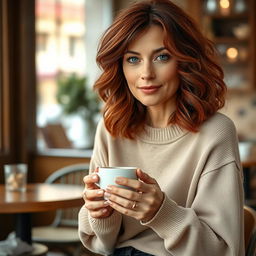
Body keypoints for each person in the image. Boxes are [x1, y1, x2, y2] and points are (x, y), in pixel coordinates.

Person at [78, 0, 244, 255]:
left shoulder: (216, 133)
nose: (146, 73)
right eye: (133, 59)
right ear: (120, 67)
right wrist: (99, 213)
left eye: (162, 57)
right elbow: (103, 244)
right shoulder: (111, 126)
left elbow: (222, 249)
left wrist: (161, 212)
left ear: (185, 62)